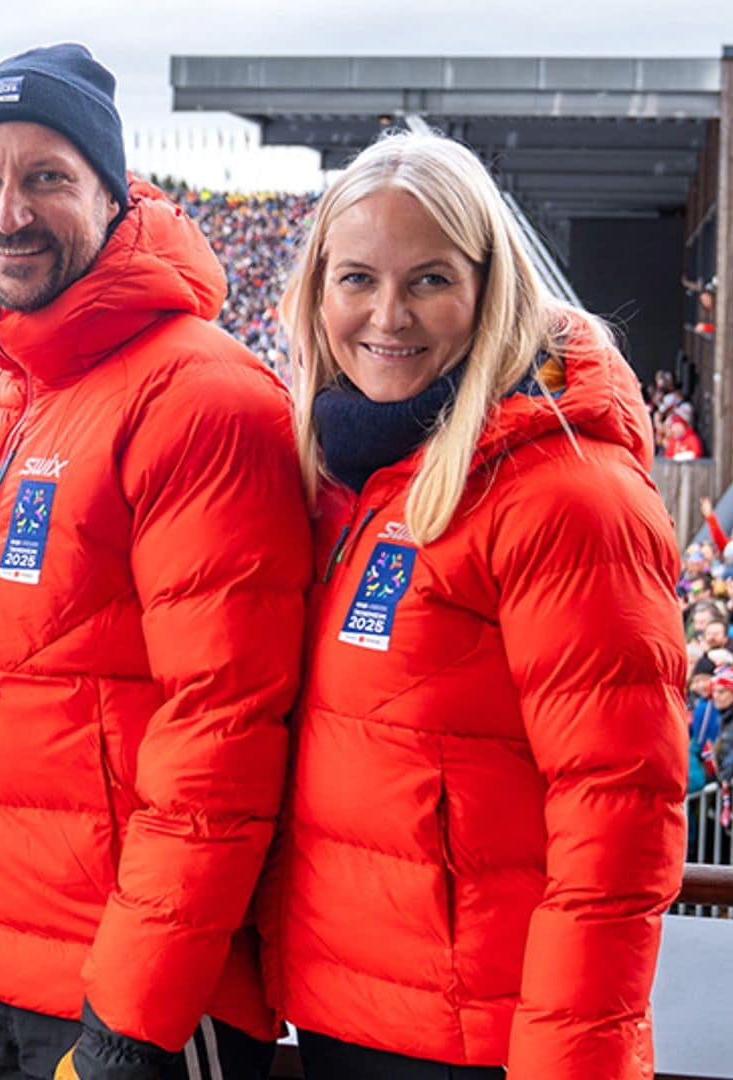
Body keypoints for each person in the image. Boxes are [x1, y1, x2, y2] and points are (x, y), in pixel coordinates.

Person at [0, 44, 311, 1080]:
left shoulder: (202, 398)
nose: (10, 211)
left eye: (48, 178)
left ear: (115, 196)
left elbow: (221, 736)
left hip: (128, 1002)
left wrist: (132, 1023)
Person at [260, 131, 686, 1079]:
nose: (387, 315)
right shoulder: (339, 481)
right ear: (316, 292)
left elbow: (618, 818)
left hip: (482, 1043)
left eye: (429, 281)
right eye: (357, 278)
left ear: (490, 290)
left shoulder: (569, 495)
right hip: (343, 1017)